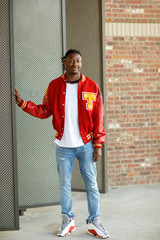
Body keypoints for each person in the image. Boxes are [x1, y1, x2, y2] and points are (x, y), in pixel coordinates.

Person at [13, 49, 110, 239]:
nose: (75, 64)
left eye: (78, 61)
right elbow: (44, 110)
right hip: (63, 146)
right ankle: (68, 220)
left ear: (81, 64)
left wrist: (98, 144)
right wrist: (23, 104)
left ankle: (95, 222)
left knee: (91, 184)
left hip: (86, 144)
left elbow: (99, 118)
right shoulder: (55, 86)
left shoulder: (92, 86)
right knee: (64, 185)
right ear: (64, 62)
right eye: (71, 61)